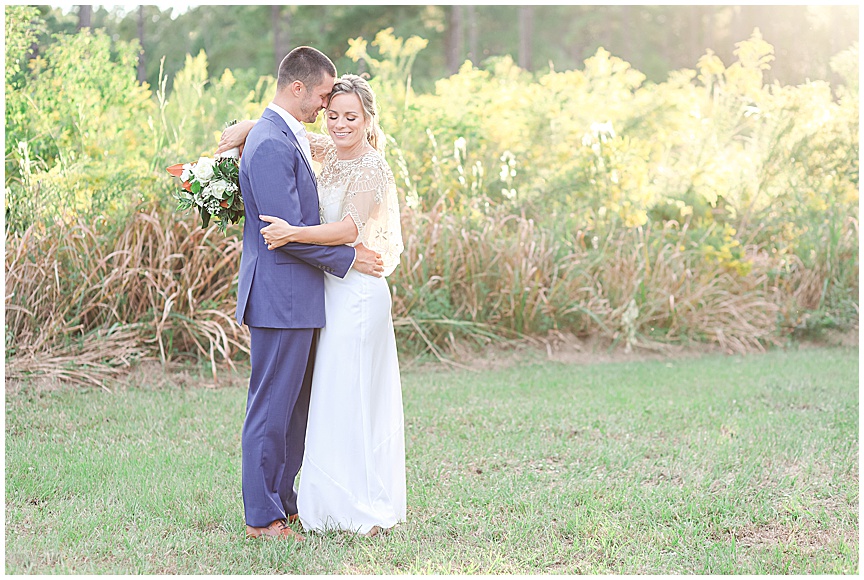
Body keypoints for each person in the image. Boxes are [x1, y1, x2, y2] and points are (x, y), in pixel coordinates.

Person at [219, 73, 406, 537]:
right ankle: (300, 506)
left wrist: (294, 232)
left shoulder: (370, 165)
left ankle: (354, 502)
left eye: (350, 116)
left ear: (368, 120)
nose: (339, 122)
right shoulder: (327, 150)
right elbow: (284, 129)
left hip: (357, 292)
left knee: (350, 396)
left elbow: (346, 230)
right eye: (333, 112)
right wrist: (247, 125)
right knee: (325, 397)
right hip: (324, 291)